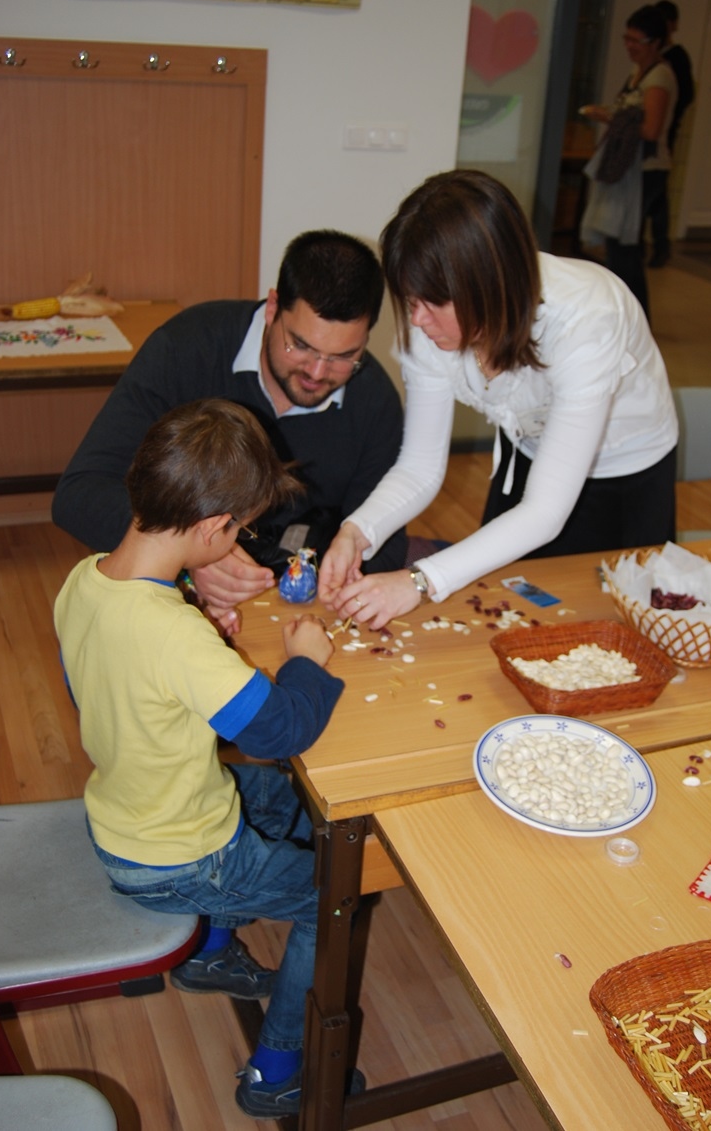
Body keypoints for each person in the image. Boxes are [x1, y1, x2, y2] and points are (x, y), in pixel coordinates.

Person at [53, 397, 361, 1120]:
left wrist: (197, 647)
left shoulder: (86, 578)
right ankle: (279, 1069)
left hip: (125, 813)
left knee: (287, 801)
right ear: (214, 527)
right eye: (240, 529)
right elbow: (281, 731)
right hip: (180, 856)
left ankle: (212, 947)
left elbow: (100, 684)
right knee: (334, 895)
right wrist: (305, 660)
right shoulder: (175, 636)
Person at [317, 170, 678, 631]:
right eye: (409, 300)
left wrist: (419, 580)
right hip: (529, 451)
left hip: (626, 472)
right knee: (506, 610)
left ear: (487, 285)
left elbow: (545, 512)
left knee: (611, 625)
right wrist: (358, 530)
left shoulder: (587, 318)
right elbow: (420, 467)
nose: (417, 320)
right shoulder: (429, 317)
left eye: (431, 302)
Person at [51, 230, 408, 635]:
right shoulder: (186, 348)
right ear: (272, 308)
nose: (317, 371)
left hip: (300, 606)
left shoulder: (374, 400)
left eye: (344, 356)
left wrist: (336, 582)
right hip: (176, 594)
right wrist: (185, 555)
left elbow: (386, 542)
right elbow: (79, 493)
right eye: (300, 346)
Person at [580, 5, 677, 317]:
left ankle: (635, 318)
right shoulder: (637, 73)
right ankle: (626, 315)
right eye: (627, 39)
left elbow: (650, 130)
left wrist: (607, 116)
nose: (630, 46)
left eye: (638, 41)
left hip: (645, 172)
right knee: (618, 246)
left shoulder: (659, 76)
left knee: (625, 247)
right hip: (628, 171)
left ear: (656, 42)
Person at [647, 0, 695, 267]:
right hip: (652, 139)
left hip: (662, 136)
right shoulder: (649, 62)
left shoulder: (675, 58)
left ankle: (661, 245)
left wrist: (666, 116)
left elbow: (686, 95)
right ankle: (649, 245)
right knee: (654, 197)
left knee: (657, 196)